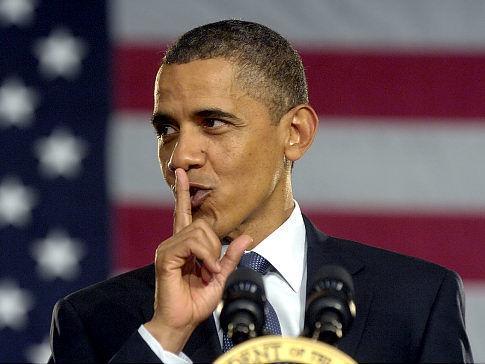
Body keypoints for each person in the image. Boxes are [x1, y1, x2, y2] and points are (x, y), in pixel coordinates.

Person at [48, 20, 473, 363]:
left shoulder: (415, 301)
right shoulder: (94, 320)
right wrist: (166, 336)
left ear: (295, 133)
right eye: (167, 129)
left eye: (212, 122)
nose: (180, 157)